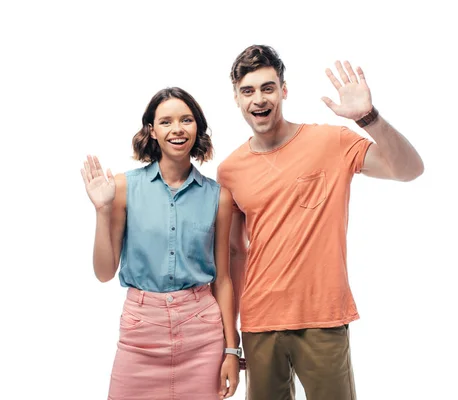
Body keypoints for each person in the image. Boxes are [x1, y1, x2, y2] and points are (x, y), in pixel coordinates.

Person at [216, 45, 424, 400]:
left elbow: (409, 170)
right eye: (247, 91)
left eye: (268, 87)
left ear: (283, 90)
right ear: (236, 98)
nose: (259, 99)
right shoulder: (230, 170)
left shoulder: (332, 141)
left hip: (323, 318)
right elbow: (236, 256)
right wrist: (230, 341)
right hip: (259, 323)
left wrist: (369, 118)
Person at [80, 87, 240, 400]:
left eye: (187, 120)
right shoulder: (124, 188)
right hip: (141, 332)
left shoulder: (218, 197)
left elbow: (222, 280)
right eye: (166, 122)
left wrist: (231, 350)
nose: (177, 129)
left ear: (198, 128)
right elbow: (103, 272)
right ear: (152, 131)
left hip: (202, 332)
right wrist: (102, 211)